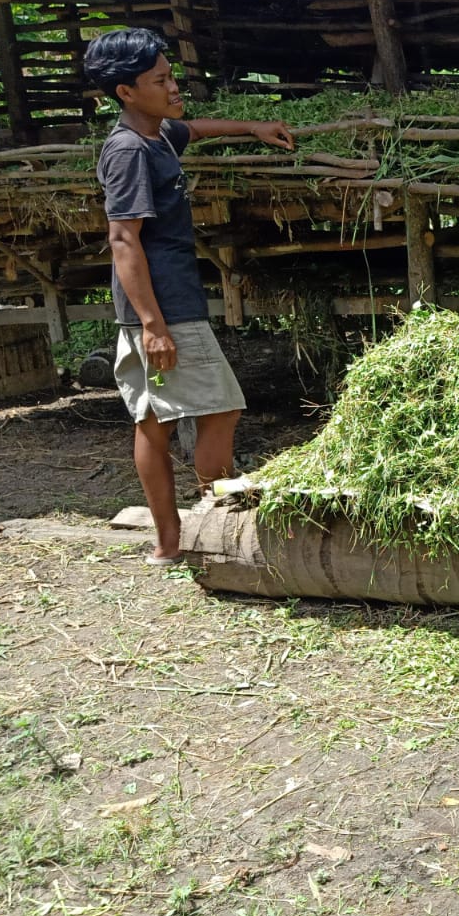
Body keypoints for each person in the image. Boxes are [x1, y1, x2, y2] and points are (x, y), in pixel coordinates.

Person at [83, 28, 294, 565]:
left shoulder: (155, 136)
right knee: (220, 409)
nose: (174, 87)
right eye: (160, 80)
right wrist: (152, 324)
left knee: (157, 420)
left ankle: (174, 543)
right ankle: (210, 527)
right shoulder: (128, 151)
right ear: (126, 91)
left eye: (171, 75)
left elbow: (192, 129)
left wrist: (253, 127)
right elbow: (123, 238)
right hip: (163, 307)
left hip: (167, 302)